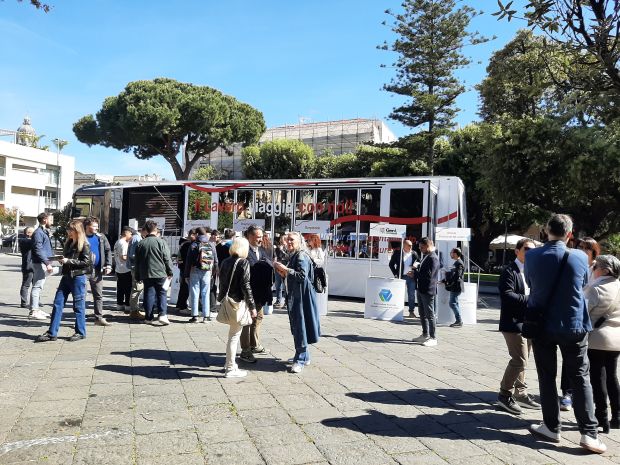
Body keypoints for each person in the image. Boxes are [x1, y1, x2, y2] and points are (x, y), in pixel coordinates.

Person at [526, 214, 606, 453]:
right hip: (573, 324)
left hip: (542, 325)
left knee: (546, 376)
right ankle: (589, 434)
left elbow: (531, 283)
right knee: (580, 377)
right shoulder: (580, 256)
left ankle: (551, 427)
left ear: (546, 232)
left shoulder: (532, 255)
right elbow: (582, 284)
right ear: (569, 234)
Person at [497, 238, 541, 415]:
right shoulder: (509, 271)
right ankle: (504, 394)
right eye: (527, 249)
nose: (530, 252)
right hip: (513, 323)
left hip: (528, 322)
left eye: (533, 250)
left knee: (524, 360)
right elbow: (507, 296)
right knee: (519, 360)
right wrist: (532, 300)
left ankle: (521, 393)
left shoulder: (532, 271)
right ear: (517, 251)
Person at [560, 236, 602, 411]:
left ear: (594, 252)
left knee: (585, 361)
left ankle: (583, 393)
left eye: (587, 248)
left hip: (593, 319)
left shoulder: (599, 269)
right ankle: (567, 393)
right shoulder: (573, 263)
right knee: (568, 356)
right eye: (581, 247)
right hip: (574, 316)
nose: (583, 250)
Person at [36, 220, 92, 342]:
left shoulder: (84, 245)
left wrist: (68, 261)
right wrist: (61, 259)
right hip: (66, 276)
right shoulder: (69, 243)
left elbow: (86, 263)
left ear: (77, 231)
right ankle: (52, 332)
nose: (68, 232)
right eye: (68, 229)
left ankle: (80, 332)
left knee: (78, 306)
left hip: (78, 278)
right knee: (57, 303)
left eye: (71, 230)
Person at [274, 232, 320, 373]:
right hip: (298, 296)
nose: (288, 242)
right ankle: (304, 356)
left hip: (301, 298)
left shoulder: (300, 255)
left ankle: (300, 359)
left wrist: (285, 269)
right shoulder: (296, 254)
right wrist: (284, 274)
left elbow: (301, 276)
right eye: (287, 239)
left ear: (299, 241)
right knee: (299, 326)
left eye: (291, 240)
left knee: (300, 327)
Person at [584, 255, 620, 433]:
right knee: (612, 376)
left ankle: (602, 418)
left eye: (595, 266)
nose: (593, 268)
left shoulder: (595, 288)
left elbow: (583, 311)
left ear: (605, 270)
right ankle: (617, 416)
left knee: (598, 378)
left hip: (597, 338)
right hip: (616, 338)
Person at [218, 237, 258, 378]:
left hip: (228, 300)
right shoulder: (243, 262)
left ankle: (230, 363)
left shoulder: (225, 261)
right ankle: (230, 368)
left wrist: (220, 298)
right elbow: (246, 285)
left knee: (232, 335)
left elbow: (222, 282)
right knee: (234, 336)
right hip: (238, 302)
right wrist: (252, 306)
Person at [240, 225, 273, 363]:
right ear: (249, 236)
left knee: (258, 318)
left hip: (260, 293)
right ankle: (245, 350)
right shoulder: (243, 251)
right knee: (247, 321)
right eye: (258, 237)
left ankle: (254, 345)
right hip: (247, 293)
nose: (261, 239)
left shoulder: (262, 250)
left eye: (261, 236)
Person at [134, 220, 174, 325]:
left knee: (149, 294)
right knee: (162, 293)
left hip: (146, 273)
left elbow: (137, 262)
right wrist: (170, 271)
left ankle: (148, 317)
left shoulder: (140, 244)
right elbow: (167, 258)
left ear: (146, 231)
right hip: (161, 273)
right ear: (155, 231)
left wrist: (137, 276)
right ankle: (163, 315)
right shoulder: (161, 242)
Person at [184, 227, 218, 323]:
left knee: (195, 292)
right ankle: (206, 316)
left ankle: (195, 316)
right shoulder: (211, 244)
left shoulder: (193, 245)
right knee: (205, 293)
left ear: (198, 234)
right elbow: (216, 261)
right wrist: (214, 272)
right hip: (207, 271)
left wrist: (186, 275)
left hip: (195, 270)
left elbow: (188, 261)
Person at [83, 217, 112, 326]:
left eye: (97, 226)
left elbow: (108, 250)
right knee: (82, 295)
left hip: (97, 270)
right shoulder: (81, 237)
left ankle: (99, 317)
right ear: (87, 226)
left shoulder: (101, 237)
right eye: (94, 226)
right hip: (83, 271)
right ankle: (80, 318)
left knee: (98, 295)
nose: (96, 228)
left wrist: (108, 265)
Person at [413, 237, 440, 347]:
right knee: (422, 313)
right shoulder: (427, 256)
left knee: (429, 314)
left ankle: (433, 338)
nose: (420, 249)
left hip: (428, 290)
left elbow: (429, 276)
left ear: (428, 245)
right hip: (421, 288)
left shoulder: (433, 258)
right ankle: (425, 334)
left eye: (422, 247)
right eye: (419, 247)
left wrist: (415, 274)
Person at [29, 212, 54, 320]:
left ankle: (36, 309)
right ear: (45, 219)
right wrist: (47, 263)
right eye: (51, 219)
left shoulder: (43, 232)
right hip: (40, 263)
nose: (52, 222)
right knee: (37, 286)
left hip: (42, 262)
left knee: (38, 285)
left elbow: (44, 248)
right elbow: (38, 249)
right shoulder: (38, 233)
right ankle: (34, 311)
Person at [389, 240, 419, 317]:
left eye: (411, 245)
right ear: (404, 245)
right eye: (409, 245)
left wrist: (415, 268)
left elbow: (418, 262)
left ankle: (411, 311)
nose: (411, 247)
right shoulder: (398, 253)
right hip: (401, 277)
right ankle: (396, 311)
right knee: (398, 294)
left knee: (411, 295)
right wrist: (396, 274)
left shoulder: (414, 253)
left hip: (411, 277)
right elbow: (391, 264)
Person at [175, 229, 196, 314]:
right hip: (185, 269)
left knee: (183, 287)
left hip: (182, 268)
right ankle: (183, 307)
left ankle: (179, 305)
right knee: (185, 288)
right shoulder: (188, 244)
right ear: (191, 235)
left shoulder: (183, 243)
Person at [127, 226, 146, 320]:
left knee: (137, 288)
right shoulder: (137, 238)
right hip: (136, 268)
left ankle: (134, 310)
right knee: (137, 288)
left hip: (135, 267)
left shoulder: (135, 238)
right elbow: (133, 254)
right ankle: (134, 311)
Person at [113, 227, 133, 313]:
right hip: (125, 269)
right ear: (126, 233)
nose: (131, 236)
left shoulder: (117, 242)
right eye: (131, 234)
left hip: (118, 268)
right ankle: (127, 305)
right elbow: (123, 257)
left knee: (120, 288)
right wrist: (132, 260)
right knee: (128, 288)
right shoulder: (124, 243)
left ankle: (119, 304)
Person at [444, 247, 465, 327]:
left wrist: (448, 279)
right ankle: (458, 320)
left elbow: (457, 275)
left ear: (455, 254)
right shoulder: (457, 262)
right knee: (455, 303)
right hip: (455, 285)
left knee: (452, 303)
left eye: (451, 252)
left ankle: (459, 320)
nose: (450, 254)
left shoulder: (459, 263)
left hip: (456, 286)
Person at [19, 226, 34, 309]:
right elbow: (32, 243)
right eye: (33, 232)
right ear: (28, 233)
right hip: (28, 266)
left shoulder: (29, 241)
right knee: (26, 285)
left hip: (34, 266)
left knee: (35, 285)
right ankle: (24, 302)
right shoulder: (24, 240)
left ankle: (35, 301)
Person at [273, 234, 289, 308]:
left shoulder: (289, 248)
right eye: (281, 240)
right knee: (278, 285)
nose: (281, 241)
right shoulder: (277, 248)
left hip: (285, 268)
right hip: (278, 268)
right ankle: (278, 301)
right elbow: (275, 257)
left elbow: (288, 257)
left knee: (285, 286)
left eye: (283, 240)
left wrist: (282, 250)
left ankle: (286, 302)